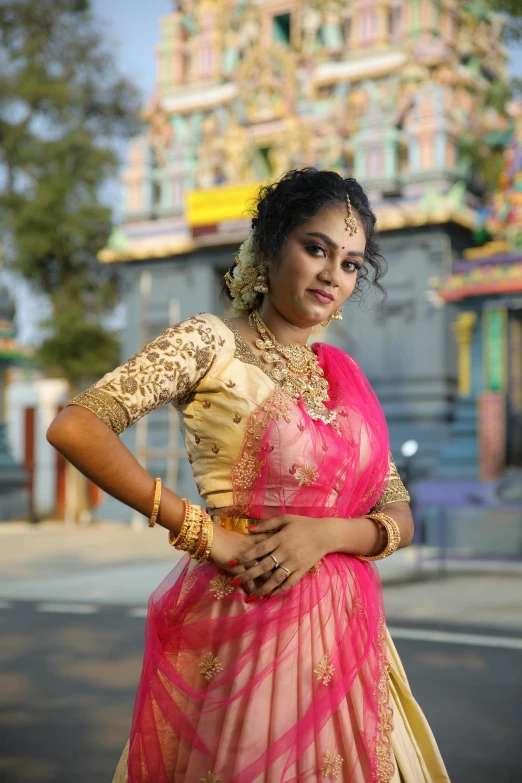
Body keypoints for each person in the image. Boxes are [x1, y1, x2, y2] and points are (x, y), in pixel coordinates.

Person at [47, 169, 449, 783]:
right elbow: (77, 426)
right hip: (245, 619)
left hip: (350, 637)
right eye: (315, 248)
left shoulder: (344, 380)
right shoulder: (210, 344)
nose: (330, 275)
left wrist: (328, 536)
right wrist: (204, 533)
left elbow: (397, 514)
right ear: (268, 248)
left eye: (349, 264)